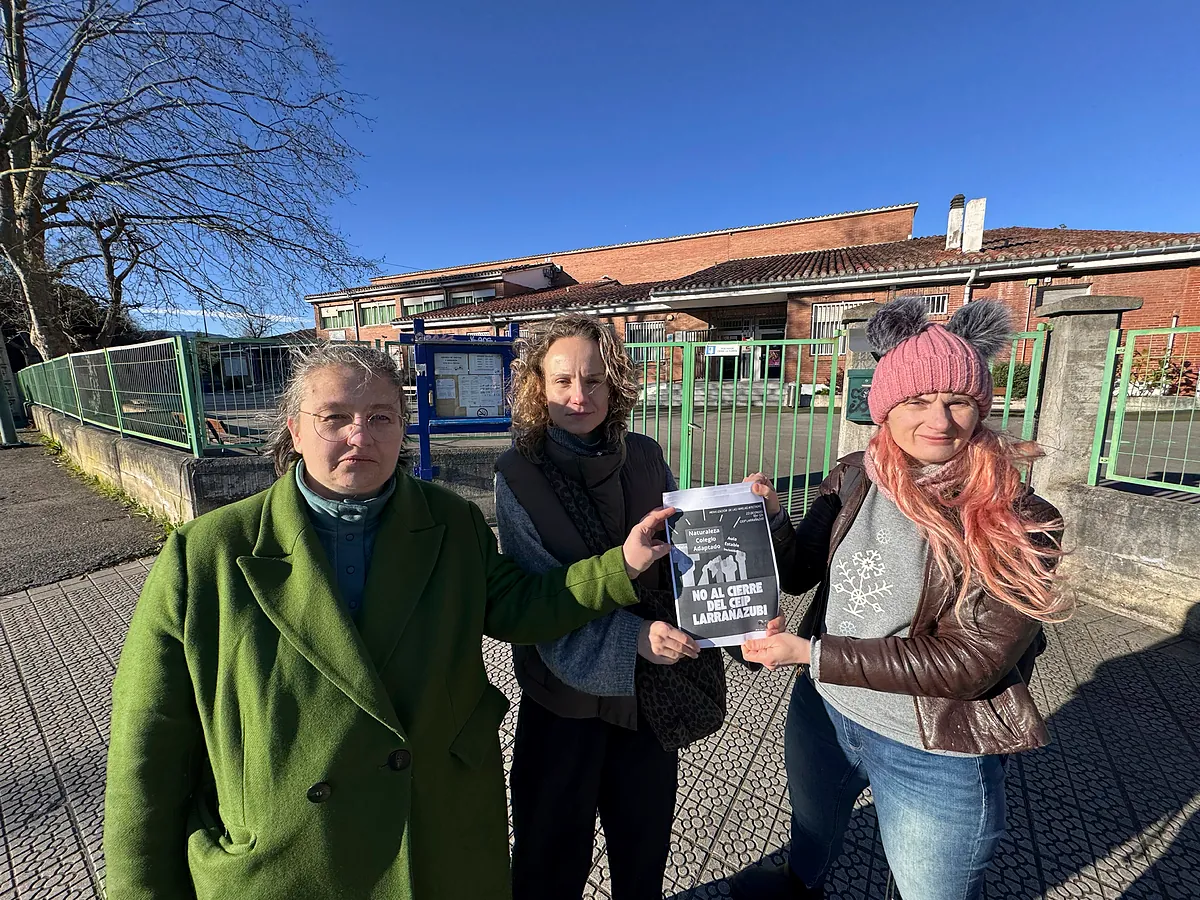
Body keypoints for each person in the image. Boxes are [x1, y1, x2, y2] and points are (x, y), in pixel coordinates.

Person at [102, 343, 674, 900]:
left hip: (434, 840)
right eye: (335, 417)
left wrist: (622, 565)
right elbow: (148, 749)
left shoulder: (452, 522)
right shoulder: (206, 554)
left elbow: (521, 605)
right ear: (295, 431)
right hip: (288, 860)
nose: (361, 436)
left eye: (381, 417)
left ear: (402, 429)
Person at [731, 297, 1070, 900]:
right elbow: (802, 572)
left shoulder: (1019, 519)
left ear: (981, 407)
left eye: (958, 400)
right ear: (885, 407)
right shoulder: (855, 474)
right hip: (826, 709)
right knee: (812, 827)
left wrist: (809, 654)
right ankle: (800, 883)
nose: (940, 419)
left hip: (934, 744)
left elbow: (973, 663)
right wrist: (773, 520)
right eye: (917, 400)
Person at [495, 314, 737, 900]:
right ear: (537, 386)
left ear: (615, 383)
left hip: (647, 700)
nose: (579, 396)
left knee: (643, 851)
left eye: (594, 380)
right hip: (562, 701)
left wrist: (748, 526)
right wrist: (631, 639)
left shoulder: (646, 456)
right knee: (548, 863)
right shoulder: (517, 474)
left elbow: (690, 550)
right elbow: (534, 599)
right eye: (562, 381)